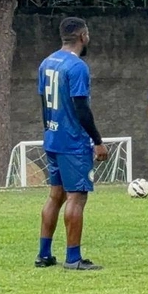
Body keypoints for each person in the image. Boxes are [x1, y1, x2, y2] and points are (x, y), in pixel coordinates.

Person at [35, 17, 108, 271]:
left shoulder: (47, 62)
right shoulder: (77, 67)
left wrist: (48, 130)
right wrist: (97, 141)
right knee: (76, 197)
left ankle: (44, 254)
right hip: (73, 143)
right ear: (82, 36)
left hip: (53, 138)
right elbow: (81, 108)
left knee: (55, 195)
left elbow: (43, 102)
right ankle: (73, 258)